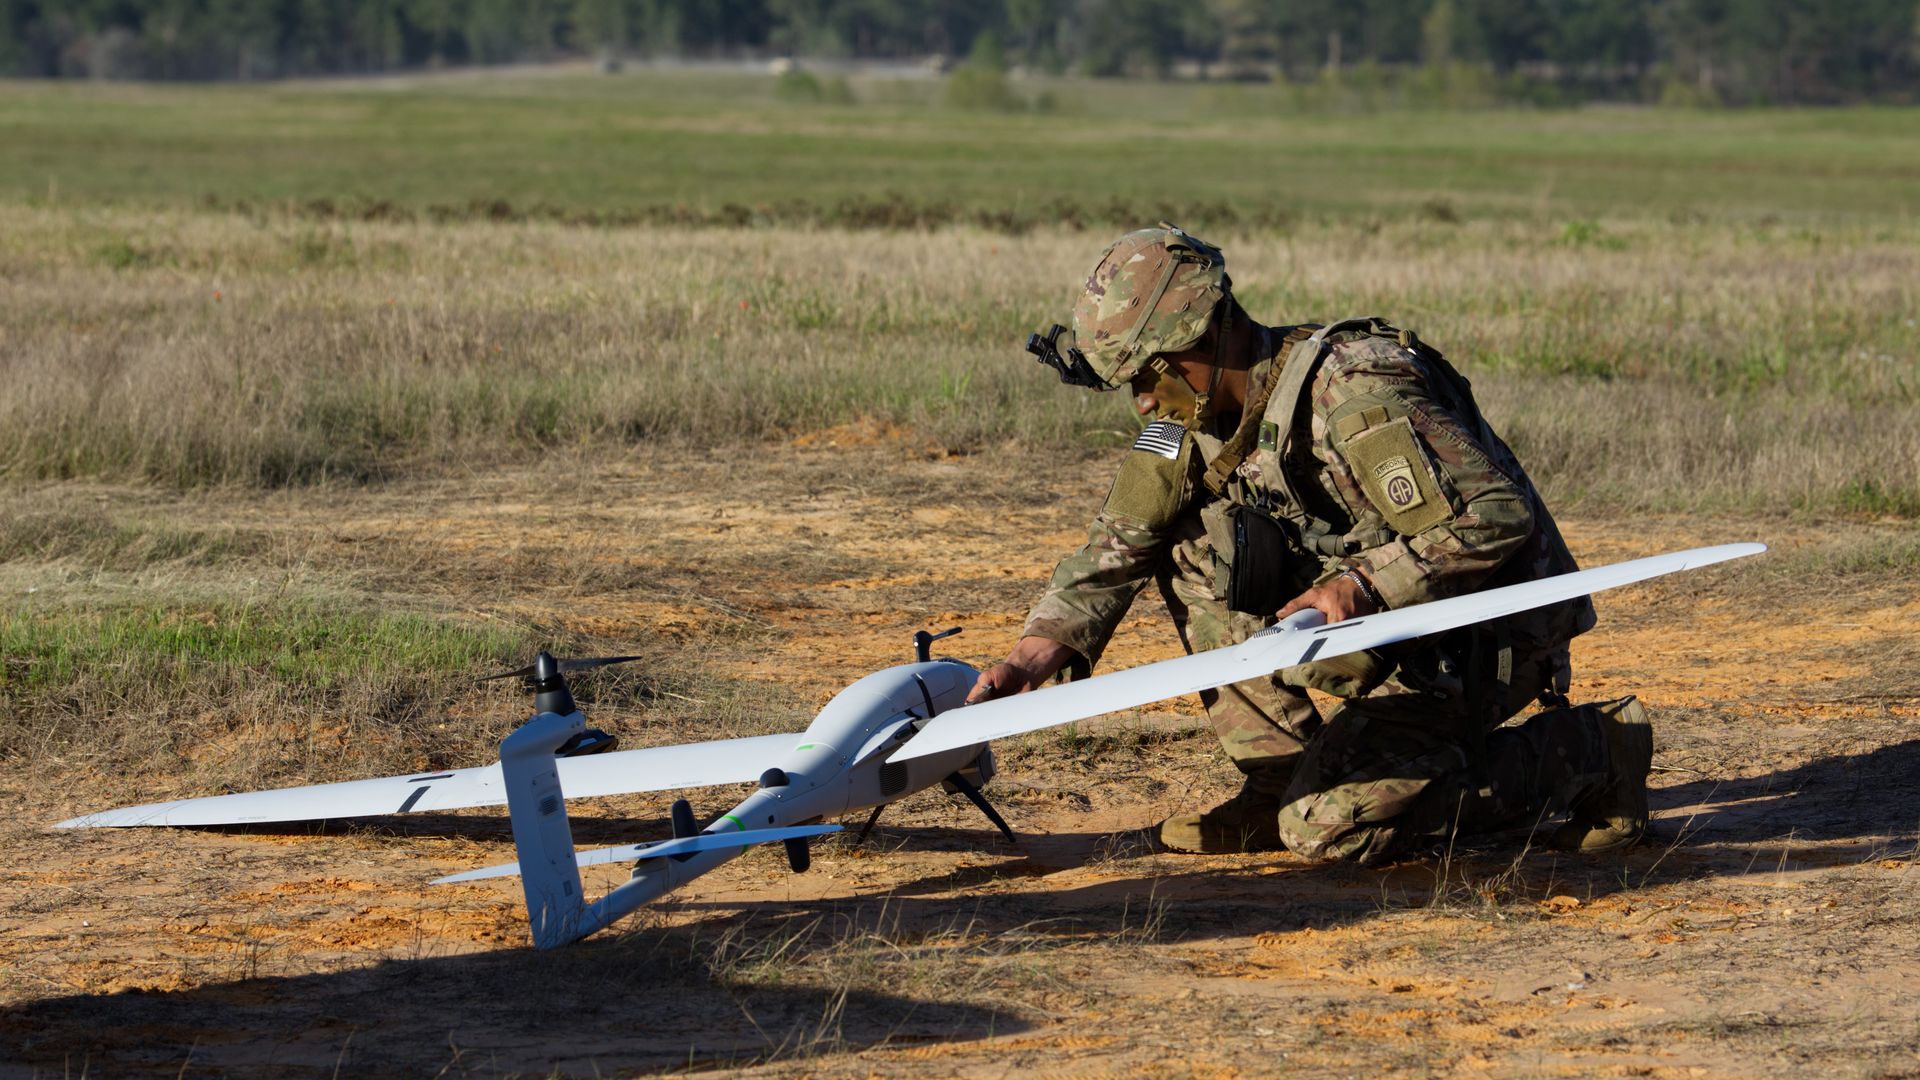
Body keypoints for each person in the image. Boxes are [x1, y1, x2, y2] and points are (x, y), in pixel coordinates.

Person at [968, 224, 1650, 864]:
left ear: (1207, 337)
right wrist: (1033, 653)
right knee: (1190, 551)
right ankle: (1277, 782)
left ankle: (1591, 749)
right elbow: (1119, 542)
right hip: (1380, 623)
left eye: (1152, 373)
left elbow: (1495, 515)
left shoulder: (1356, 393)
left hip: (1487, 637)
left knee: (1330, 829)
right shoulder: (1186, 421)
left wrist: (1358, 587)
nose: (1144, 402)